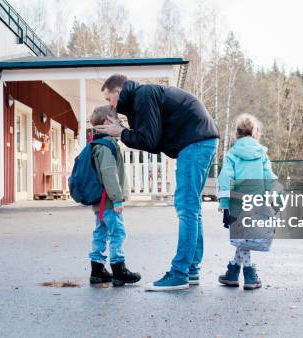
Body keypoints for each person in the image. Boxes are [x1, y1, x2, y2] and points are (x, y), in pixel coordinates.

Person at [95, 74, 219, 291]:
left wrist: (121, 132)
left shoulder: (143, 95)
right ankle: (191, 270)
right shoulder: (140, 98)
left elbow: (149, 141)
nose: (110, 105)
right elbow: (148, 135)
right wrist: (123, 128)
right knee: (192, 208)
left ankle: (179, 273)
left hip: (195, 142)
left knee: (186, 208)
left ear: (118, 91)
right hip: (200, 140)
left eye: (109, 99)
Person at [217, 114, 276, 290]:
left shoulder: (231, 155)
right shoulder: (261, 154)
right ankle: (238, 273)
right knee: (245, 239)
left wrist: (226, 206)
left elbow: (225, 179)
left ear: (236, 133)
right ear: (255, 132)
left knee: (243, 239)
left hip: (237, 204)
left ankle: (243, 273)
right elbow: (269, 179)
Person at [87, 105, 141, 287]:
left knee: (100, 233)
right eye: (118, 120)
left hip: (100, 202)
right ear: (108, 121)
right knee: (117, 233)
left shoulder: (96, 144)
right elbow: (109, 173)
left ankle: (97, 270)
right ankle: (119, 270)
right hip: (109, 201)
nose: (120, 123)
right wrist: (117, 198)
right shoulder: (106, 146)